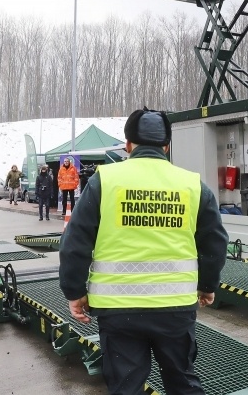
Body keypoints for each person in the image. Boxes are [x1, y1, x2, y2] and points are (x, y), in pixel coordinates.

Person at [59, 108, 228, 395]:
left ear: (128, 145)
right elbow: (215, 242)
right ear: (166, 146)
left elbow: (75, 242)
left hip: (118, 310)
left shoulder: (104, 181)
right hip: (175, 308)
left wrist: (74, 291)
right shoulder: (192, 185)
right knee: (182, 382)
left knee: (126, 387)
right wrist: (207, 285)